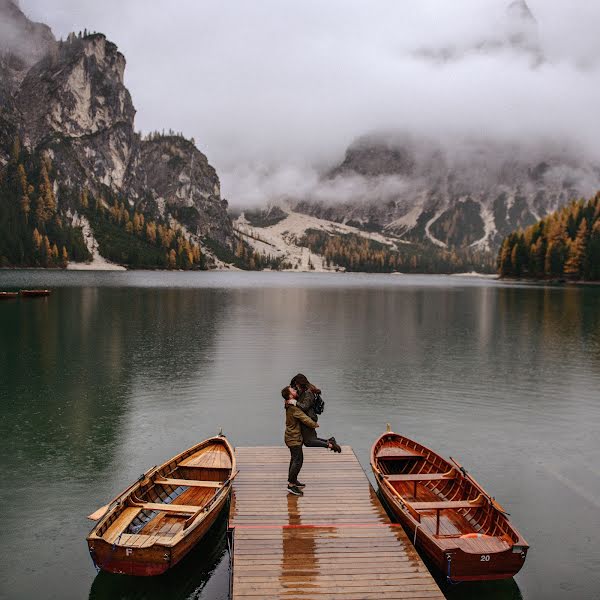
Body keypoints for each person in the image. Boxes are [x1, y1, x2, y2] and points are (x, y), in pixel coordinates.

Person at [289, 373, 342, 453]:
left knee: (309, 441)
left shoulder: (308, 392)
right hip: (307, 418)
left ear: (299, 383)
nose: (295, 387)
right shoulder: (305, 391)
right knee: (311, 439)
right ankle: (330, 441)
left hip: (309, 418)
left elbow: (305, 406)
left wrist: (295, 402)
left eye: (296, 384)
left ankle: (330, 444)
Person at [282, 385, 319, 496]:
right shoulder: (293, 408)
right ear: (290, 395)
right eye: (292, 390)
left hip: (291, 437)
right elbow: (304, 417)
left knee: (295, 459)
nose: (295, 390)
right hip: (294, 438)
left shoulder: (289, 404)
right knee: (298, 461)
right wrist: (314, 424)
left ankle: (293, 481)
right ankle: (291, 485)